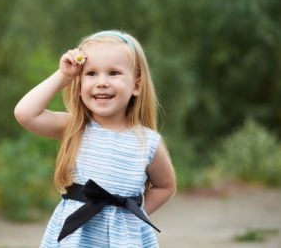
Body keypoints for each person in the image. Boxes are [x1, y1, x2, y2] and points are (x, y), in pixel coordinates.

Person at [14, 30, 176, 247]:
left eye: (113, 73)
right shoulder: (75, 127)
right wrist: (64, 75)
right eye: (91, 74)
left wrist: (133, 214)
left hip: (123, 240)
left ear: (136, 85)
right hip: (77, 237)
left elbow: (165, 186)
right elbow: (25, 113)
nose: (102, 82)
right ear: (79, 83)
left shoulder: (147, 141)